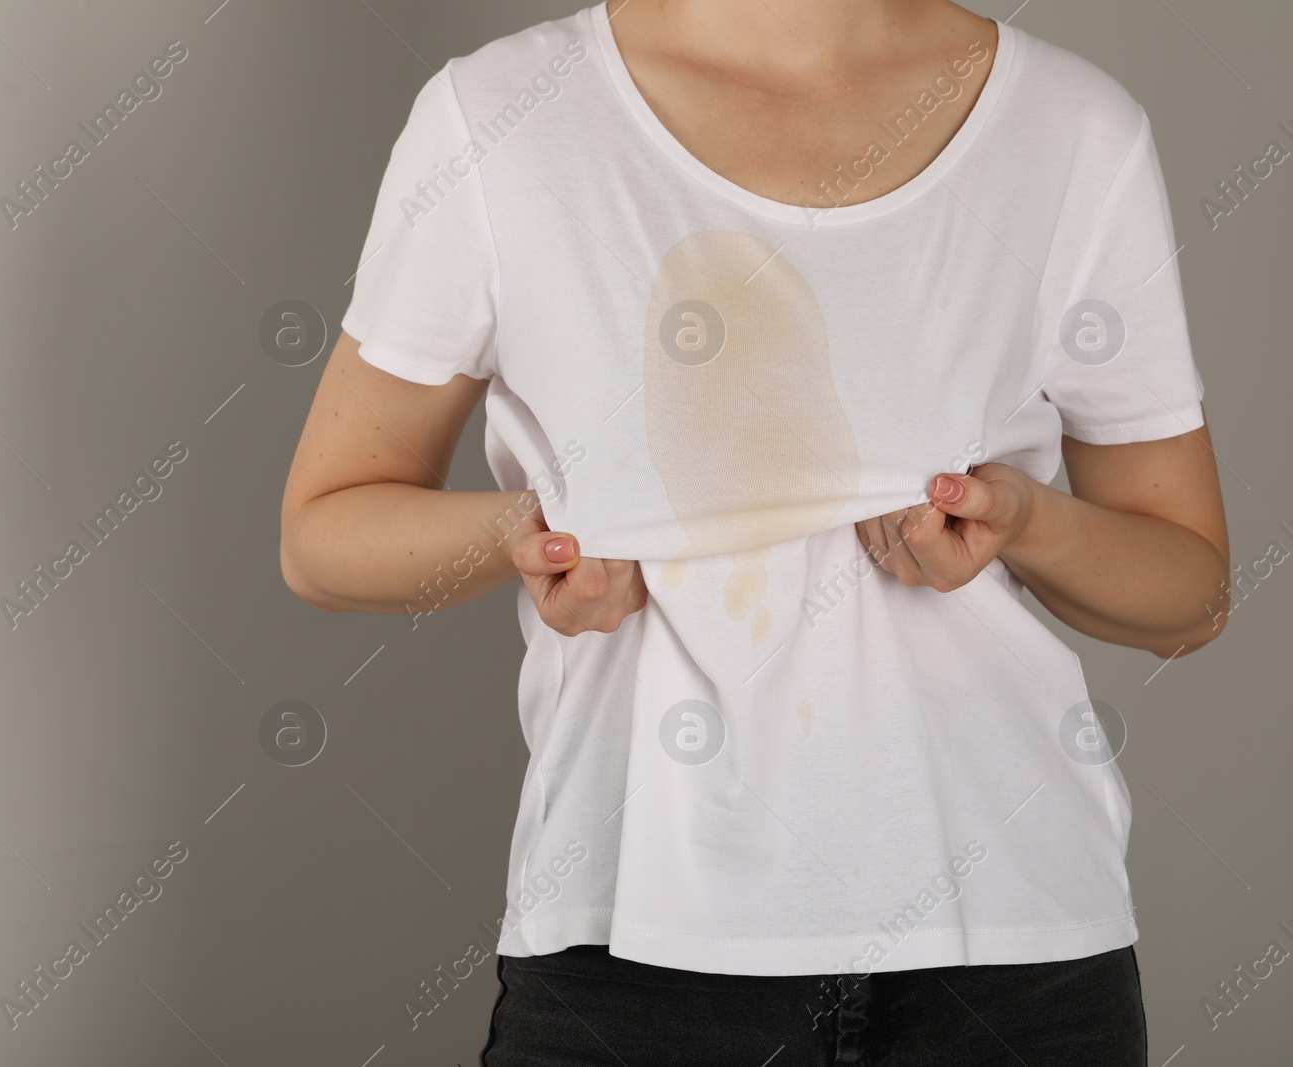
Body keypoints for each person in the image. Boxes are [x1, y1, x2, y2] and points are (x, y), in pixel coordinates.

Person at [280, 0, 1230, 1061]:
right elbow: (324, 533)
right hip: (629, 959)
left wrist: (1025, 520)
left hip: (1014, 960)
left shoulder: (1070, 126)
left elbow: (1187, 593)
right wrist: (526, 533)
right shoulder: (498, 116)